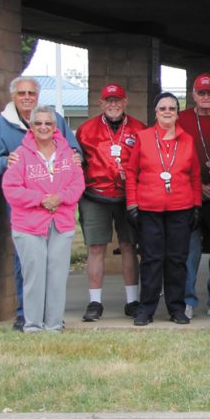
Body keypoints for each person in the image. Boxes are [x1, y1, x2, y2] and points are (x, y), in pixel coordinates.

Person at [0, 76, 81, 330]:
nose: (27, 97)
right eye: (22, 93)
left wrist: (75, 160)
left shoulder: (55, 120)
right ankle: (28, 318)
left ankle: (53, 321)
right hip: (27, 213)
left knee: (55, 272)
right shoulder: (3, 126)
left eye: (31, 93)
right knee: (29, 268)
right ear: (13, 96)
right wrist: (8, 162)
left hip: (58, 215)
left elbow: (75, 158)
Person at [124, 92, 201, 326]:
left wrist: (197, 205)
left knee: (177, 260)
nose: (167, 112)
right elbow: (131, 172)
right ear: (155, 112)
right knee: (151, 259)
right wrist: (132, 203)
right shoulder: (143, 137)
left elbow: (195, 175)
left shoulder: (187, 140)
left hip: (181, 207)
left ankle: (176, 308)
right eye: (162, 108)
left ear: (177, 113)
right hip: (149, 208)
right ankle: (146, 309)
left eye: (172, 108)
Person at [75, 83, 143, 321]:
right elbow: (77, 162)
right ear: (101, 103)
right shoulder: (85, 130)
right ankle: (95, 302)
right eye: (109, 101)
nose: (113, 105)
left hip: (128, 196)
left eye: (118, 100)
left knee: (129, 246)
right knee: (96, 248)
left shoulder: (138, 129)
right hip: (95, 195)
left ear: (125, 102)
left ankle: (132, 301)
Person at [177, 72, 210, 319]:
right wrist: (198, 185)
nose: (206, 97)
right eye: (202, 93)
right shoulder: (181, 119)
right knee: (189, 251)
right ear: (193, 95)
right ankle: (187, 300)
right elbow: (172, 156)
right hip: (190, 192)